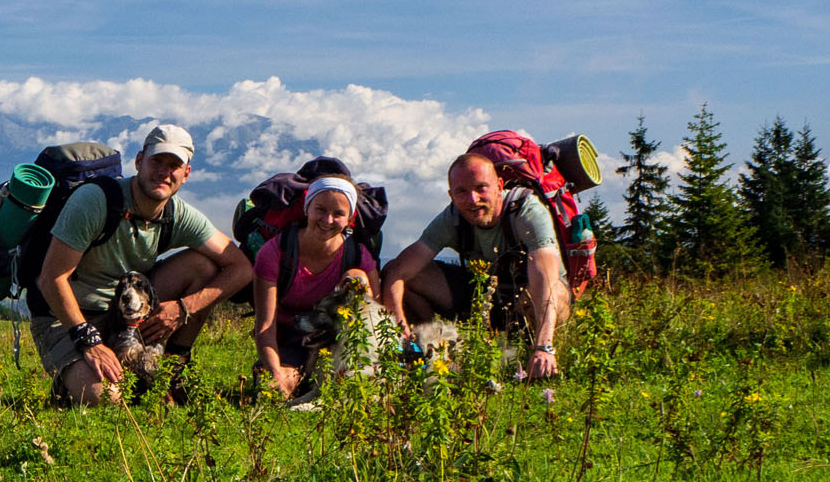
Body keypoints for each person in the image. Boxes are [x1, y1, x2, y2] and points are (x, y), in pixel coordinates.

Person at [34, 123, 252, 406]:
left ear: (186, 174)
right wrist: (89, 341)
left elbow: (242, 268)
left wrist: (184, 308)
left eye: (174, 165)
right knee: (109, 398)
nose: (164, 171)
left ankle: (173, 367)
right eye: (156, 161)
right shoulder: (95, 201)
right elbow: (51, 278)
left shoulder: (177, 214)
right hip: (67, 316)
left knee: (203, 265)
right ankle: (68, 381)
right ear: (139, 161)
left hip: (127, 315)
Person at [379, 152, 570, 379]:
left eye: (481, 188)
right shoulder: (452, 218)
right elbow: (396, 272)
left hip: (533, 300)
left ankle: (532, 353)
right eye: (462, 191)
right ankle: (425, 352)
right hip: (486, 298)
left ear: (499, 185)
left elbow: (545, 277)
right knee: (412, 278)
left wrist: (544, 346)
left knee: (548, 289)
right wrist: (401, 334)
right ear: (451, 195)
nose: (472, 199)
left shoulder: (527, 210)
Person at [252, 173, 379, 397]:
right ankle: (294, 376)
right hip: (289, 341)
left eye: (338, 213)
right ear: (307, 208)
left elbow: (374, 318)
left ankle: (349, 372)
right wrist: (275, 374)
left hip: (335, 344)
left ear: (350, 218)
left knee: (356, 277)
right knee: (273, 391)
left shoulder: (358, 257)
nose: (328, 220)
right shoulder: (275, 252)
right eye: (320, 210)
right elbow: (265, 326)